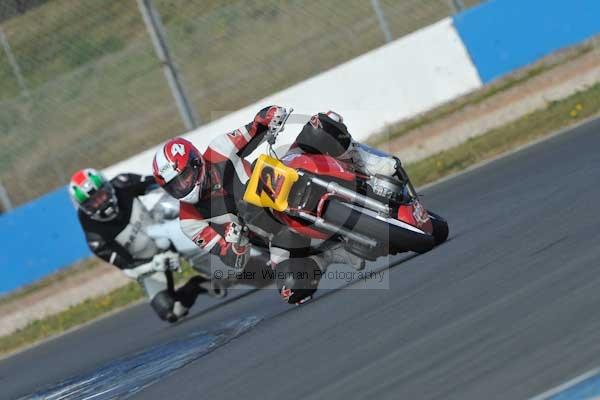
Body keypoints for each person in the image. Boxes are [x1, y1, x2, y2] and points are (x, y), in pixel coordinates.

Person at [151, 106, 400, 304]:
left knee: (321, 124)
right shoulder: (189, 222)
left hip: (286, 180)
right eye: (175, 185)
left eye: (184, 176)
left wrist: (268, 116)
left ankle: (365, 162)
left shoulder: (218, 150)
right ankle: (329, 255)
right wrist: (235, 243)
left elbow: (255, 129)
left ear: (195, 162)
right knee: (292, 290)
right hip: (277, 235)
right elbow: (233, 261)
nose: (183, 186)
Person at [69, 168, 206, 323]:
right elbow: (128, 267)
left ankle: (216, 259)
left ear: (108, 188)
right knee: (170, 311)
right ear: (85, 208)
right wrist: (155, 263)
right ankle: (198, 285)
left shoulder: (123, 183)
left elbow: (160, 184)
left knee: (200, 243)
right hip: (149, 262)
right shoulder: (95, 236)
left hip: (165, 232)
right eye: (93, 201)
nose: (101, 202)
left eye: (101, 195)